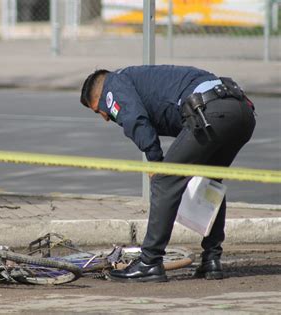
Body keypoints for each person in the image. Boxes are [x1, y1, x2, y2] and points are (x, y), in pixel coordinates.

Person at [80, 65, 256, 282]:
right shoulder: (140, 78)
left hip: (211, 111)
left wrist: (155, 161)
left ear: (99, 94)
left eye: (98, 110)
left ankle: (150, 262)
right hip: (241, 111)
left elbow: (135, 119)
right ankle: (211, 260)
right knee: (208, 183)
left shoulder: (112, 86)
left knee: (164, 181)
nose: (105, 117)